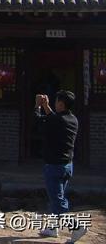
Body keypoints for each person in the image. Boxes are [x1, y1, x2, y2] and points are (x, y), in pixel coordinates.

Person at [34, 90, 87, 243]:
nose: (55, 104)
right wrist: (47, 106)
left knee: (57, 201)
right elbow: (54, 118)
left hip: (54, 167)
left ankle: (77, 227)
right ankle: (52, 228)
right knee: (57, 198)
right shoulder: (73, 119)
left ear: (61, 104)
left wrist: (37, 106)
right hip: (67, 166)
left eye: (56, 102)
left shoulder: (57, 121)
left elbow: (38, 121)